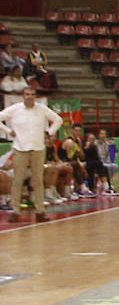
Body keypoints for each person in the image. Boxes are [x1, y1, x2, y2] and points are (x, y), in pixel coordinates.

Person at [0, 86, 63, 222]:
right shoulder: (15, 109)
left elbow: (58, 120)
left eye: (32, 94)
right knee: (17, 180)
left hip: (38, 148)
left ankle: (40, 211)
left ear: (35, 96)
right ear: (23, 95)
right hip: (20, 148)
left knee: (38, 180)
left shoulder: (41, 109)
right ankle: (15, 211)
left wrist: (50, 132)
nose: (30, 96)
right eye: (27, 94)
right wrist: (7, 130)